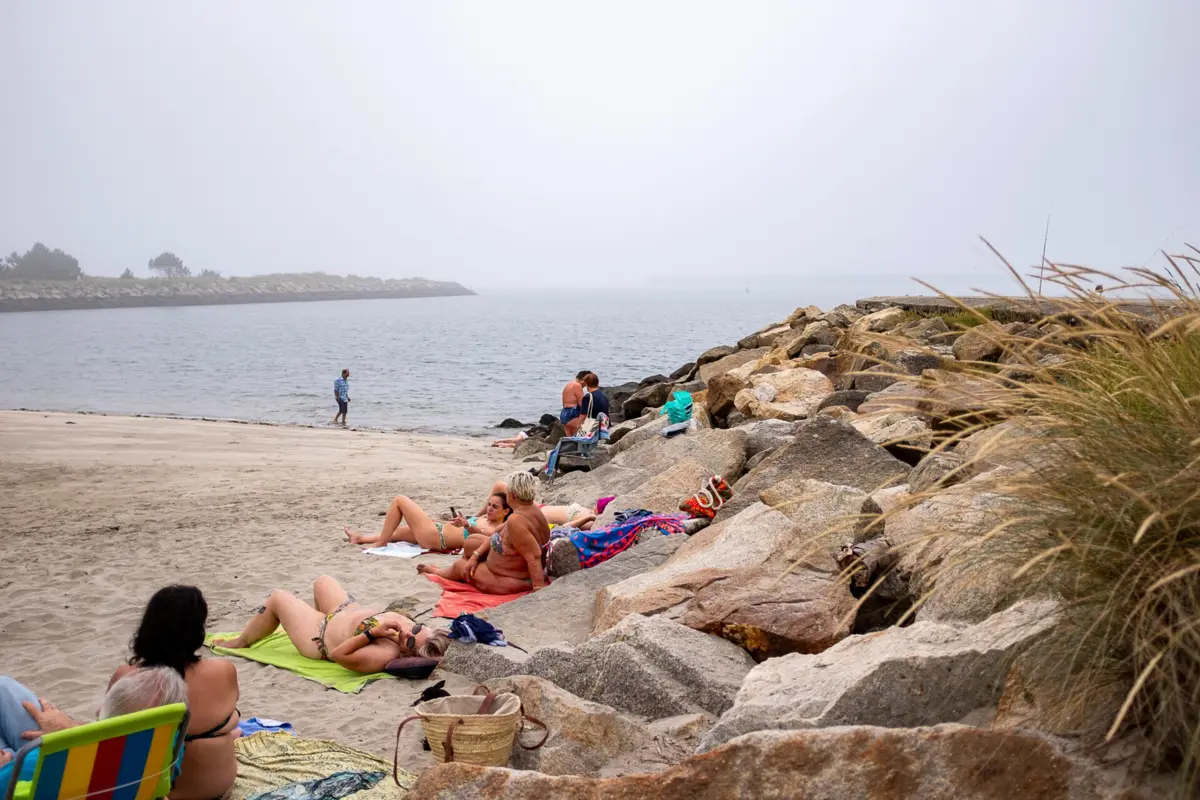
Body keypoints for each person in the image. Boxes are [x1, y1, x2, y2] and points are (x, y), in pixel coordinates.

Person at [107, 586, 240, 800]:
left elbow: (108, 734)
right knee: (228, 723)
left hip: (151, 793)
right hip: (215, 790)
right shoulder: (223, 671)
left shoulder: (125, 677)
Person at [1, 668, 190, 793]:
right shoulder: (168, 753)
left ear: (100, 712)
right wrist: (71, 732)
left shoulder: (41, 762)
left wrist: (6, 765)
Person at [212, 576, 450, 674]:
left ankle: (241, 642)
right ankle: (303, 615)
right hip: (344, 611)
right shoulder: (409, 628)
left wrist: (371, 633)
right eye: (416, 628)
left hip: (320, 635)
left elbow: (339, 655)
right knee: (323, 581)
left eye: (410, 641)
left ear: (407, 653)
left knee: (278, 598)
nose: (407, 632)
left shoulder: (384, 653)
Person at [417, 472, 551, 593]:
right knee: (472, 542)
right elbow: (499, 531)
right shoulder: (530, 510)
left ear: (512, 495)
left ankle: (439, 572)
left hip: (510, 578)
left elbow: (534, 556)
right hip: (508, 562)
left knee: (460, 566)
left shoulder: (517, 520)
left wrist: (538, 590)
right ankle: (463, 566)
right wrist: (475, 556)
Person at [345, 492, 512, 552]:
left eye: (495, 507)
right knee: (396, 533)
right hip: (436, 529)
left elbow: (484, 537)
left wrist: (468, 524)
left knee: (400, 500)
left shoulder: (498, 528)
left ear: (506, 511)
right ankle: (359, 538)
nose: (489, 509)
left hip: (436, 538)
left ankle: (380, 543)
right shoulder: (484, 518)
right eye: (489, 505)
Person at [560, 370, 589, 436]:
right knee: (581, 435)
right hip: (573, 413)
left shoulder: (569, 384)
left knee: (570, 439)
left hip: (564, 413)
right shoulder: (577, 385)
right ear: (583, 380)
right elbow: (582, 404)